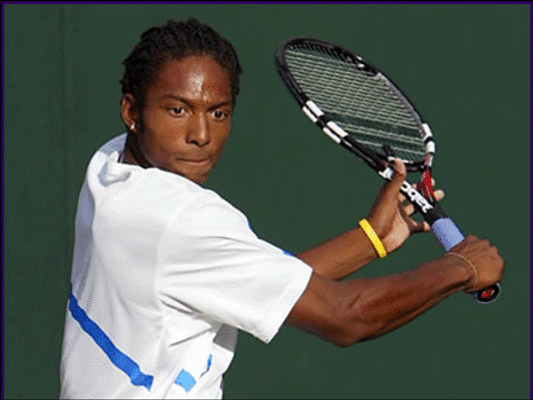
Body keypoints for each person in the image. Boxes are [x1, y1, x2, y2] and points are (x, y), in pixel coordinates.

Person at [59, 18, 504, 399]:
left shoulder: (110, 168)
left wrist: (372, 238)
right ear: (131, 111)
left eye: (218, 113)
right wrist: (461, 267)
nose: (201, 135)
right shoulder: (180, 219)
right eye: (178, 110)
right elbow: (346, 316)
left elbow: (261, 280)